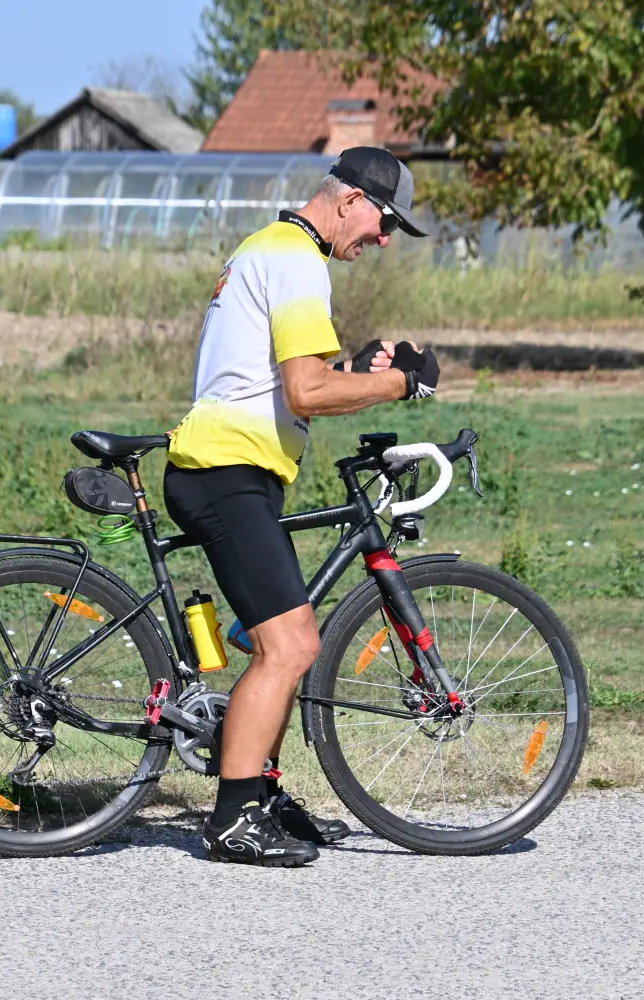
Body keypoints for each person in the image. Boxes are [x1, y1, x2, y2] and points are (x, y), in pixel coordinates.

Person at [163, 147, 440, 867]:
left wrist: (362, 366)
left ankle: (259, 791)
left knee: (279, 641)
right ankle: (232, 820)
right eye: (385, 222)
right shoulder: (295, 260)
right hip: (225, 471)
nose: (383, 240)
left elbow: (293, 374)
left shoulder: (275, 247)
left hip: (237, 468)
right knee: (291, 646)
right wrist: (401, 387)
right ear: (349, 199)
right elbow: (306, 394)